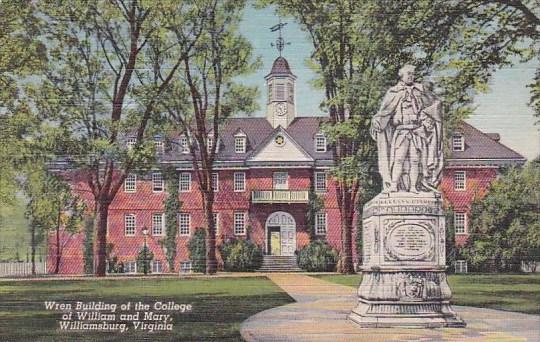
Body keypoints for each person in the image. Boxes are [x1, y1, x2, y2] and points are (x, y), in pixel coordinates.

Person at [370, 65, 443, 193]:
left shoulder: (420, 91)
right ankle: (394, 185)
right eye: (408, 73)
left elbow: (435, 104)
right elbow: (385, 111)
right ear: (402, 75)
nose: (411, 76)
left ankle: (414, 187)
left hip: (416, 131)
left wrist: (428, 116)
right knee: (399, 159)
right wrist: (377, 120)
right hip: (401, 131)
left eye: (413, 74)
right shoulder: (394, 92)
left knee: (415, 160)